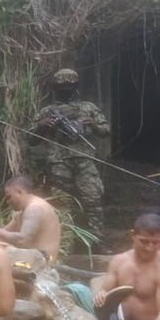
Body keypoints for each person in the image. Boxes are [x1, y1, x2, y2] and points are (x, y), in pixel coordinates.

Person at [33, 68, 109, 236]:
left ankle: (97, 240)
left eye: (69, 85)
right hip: (59, 162)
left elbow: (105, 130)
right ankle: (65, 242)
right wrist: (42, 126)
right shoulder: (48, 111)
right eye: (61, 86)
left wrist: (92, 125)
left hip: (84, 161)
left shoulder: (88, 108)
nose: (65, 89)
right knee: (61, 202)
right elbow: (31, 139)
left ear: (76, 86)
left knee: (93, 198)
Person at [0, 176, 62, 260]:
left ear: (19, 191)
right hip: (32, 256)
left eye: (9, 197)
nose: (7, 202)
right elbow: (4, 233)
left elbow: (22, 240)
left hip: (43, 260)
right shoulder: (22, 212)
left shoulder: (34, 208)